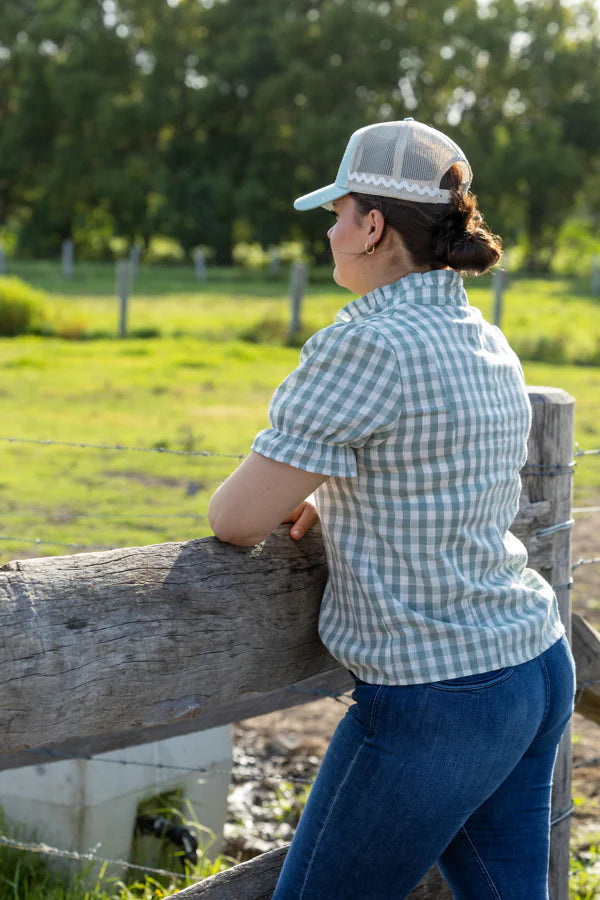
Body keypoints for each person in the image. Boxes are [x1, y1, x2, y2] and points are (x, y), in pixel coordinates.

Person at [208, 118, 576, 900]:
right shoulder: (481, 336)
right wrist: (330, 492)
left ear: (373, 227)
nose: (330, 232)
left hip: (441, 697)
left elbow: (235, 519)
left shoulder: (366, 344)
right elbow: (428, 471)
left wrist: (306, 488)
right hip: (534, 664)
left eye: (338, 214)